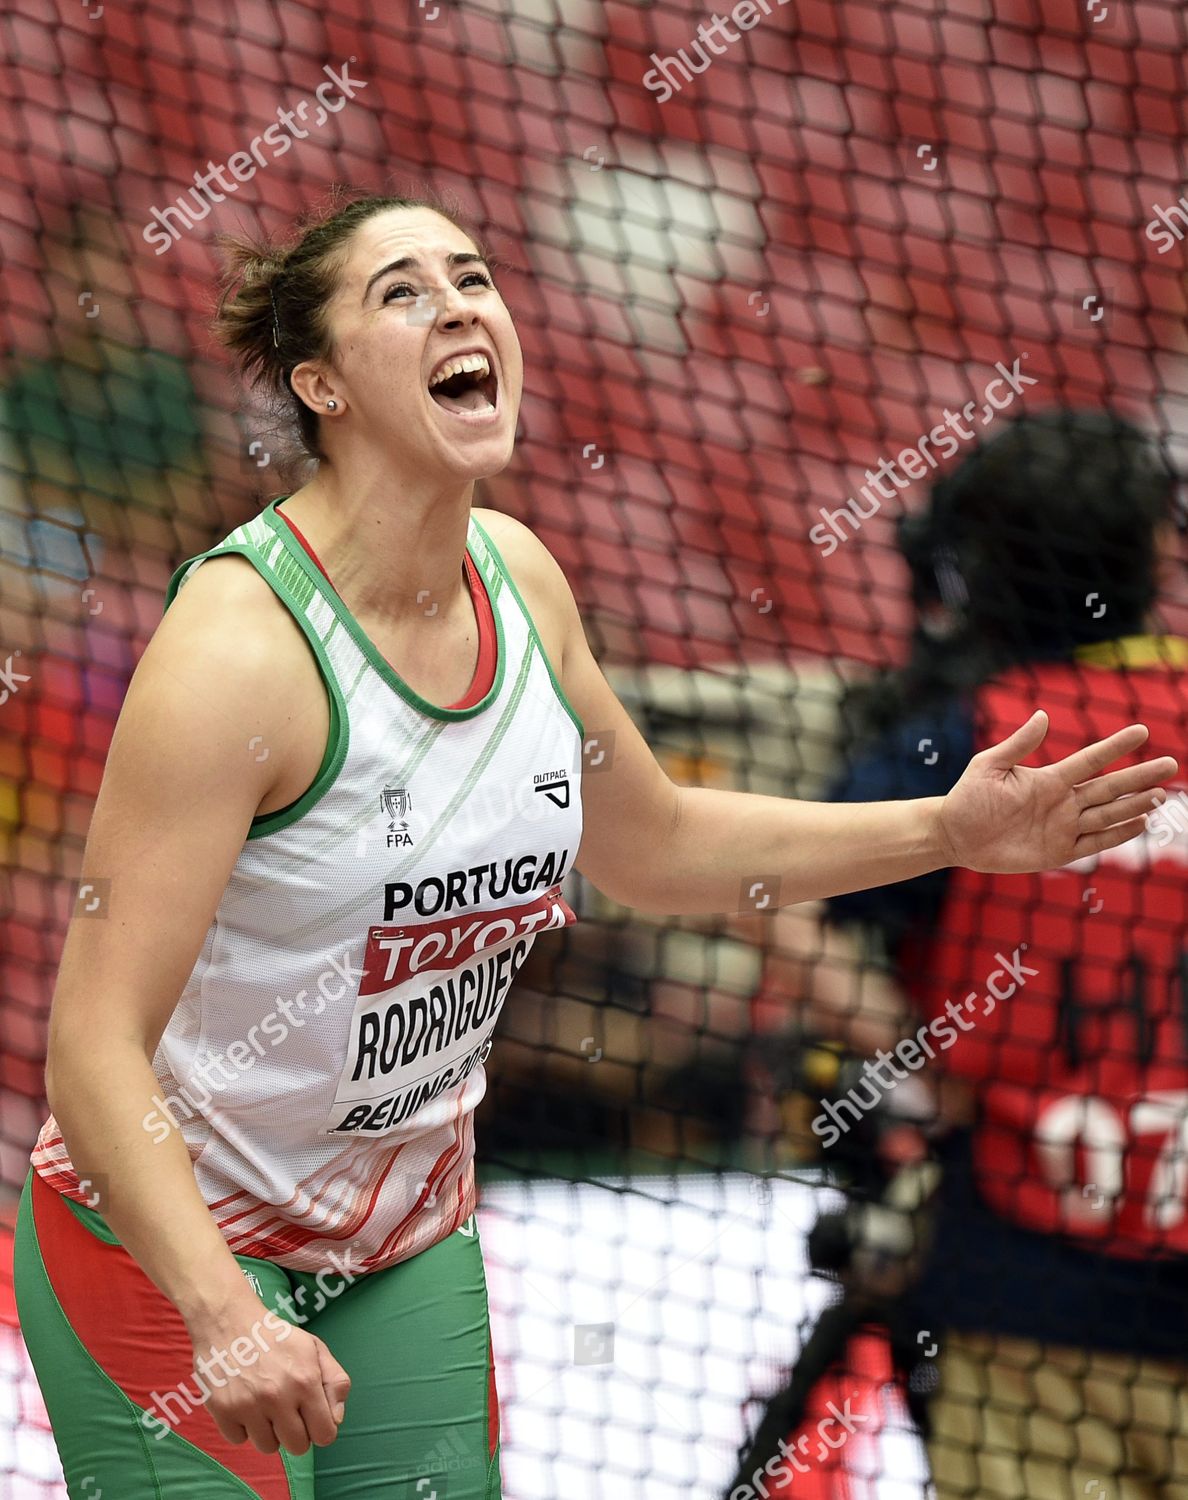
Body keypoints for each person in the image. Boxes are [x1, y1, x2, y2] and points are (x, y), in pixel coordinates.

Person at [11, 192, 1176, 1500]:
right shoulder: (236, 652)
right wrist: (223, 1315)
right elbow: (93, 1047)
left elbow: (658, 847)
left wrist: (948, 828)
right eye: (401, 290)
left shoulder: (522, 579)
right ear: (320, 385)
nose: (459, 305)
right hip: (166, 1255)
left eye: (473, 276)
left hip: (405, 1243)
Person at [763, 409, 1188, 1499]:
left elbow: (793, 900)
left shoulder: (974, 735)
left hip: (1024, 1299)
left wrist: (922, 1063)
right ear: (1147, 557)